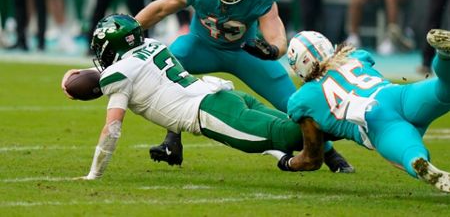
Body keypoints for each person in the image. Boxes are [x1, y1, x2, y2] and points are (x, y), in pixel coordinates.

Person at [61, 14, 354, 179]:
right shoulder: (151, 45)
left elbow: (112, 128)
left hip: (214, 113)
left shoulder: (119, 73)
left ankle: (357, 114)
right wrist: (79, 74)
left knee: (292, 135)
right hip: (226, 97)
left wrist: (93, 175)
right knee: (297, 125)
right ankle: (354, 109)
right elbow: (126, 68)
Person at [134, 0, 338, 169]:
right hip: (201, 46)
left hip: (244, 52)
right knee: (171, 63)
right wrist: (130, 29)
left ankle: (330, 153)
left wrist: (272, 51)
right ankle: (172, 139)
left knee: (291, 101)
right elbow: (162, 7)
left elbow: (276, 34)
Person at [264, 29, 450, 192]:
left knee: (408, 152)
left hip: (374, 117)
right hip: (397, 95)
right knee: (443, 89)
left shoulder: (302, 100)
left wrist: (288, 162)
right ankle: (443, 57)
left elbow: (312, 158)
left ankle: (419, 162)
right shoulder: (356, 56)